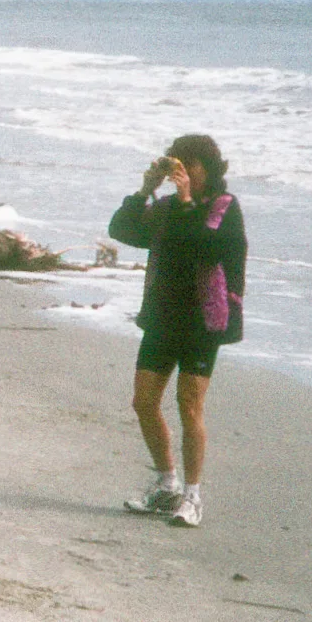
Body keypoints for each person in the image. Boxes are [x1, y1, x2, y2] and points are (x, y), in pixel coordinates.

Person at [107, 133, 246, 529]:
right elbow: (122, 230)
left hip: (204, 320)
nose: (184, 171)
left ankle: (193, 495)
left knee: (189, 405)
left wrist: (185, 202)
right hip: (164, 315)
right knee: (144, 401)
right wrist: (145, 191)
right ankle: (167, 484)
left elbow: (205, 247)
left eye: (191, 164)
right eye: (177, 164)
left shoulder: (225, 207)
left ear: (209, 168)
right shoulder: (167, 207)